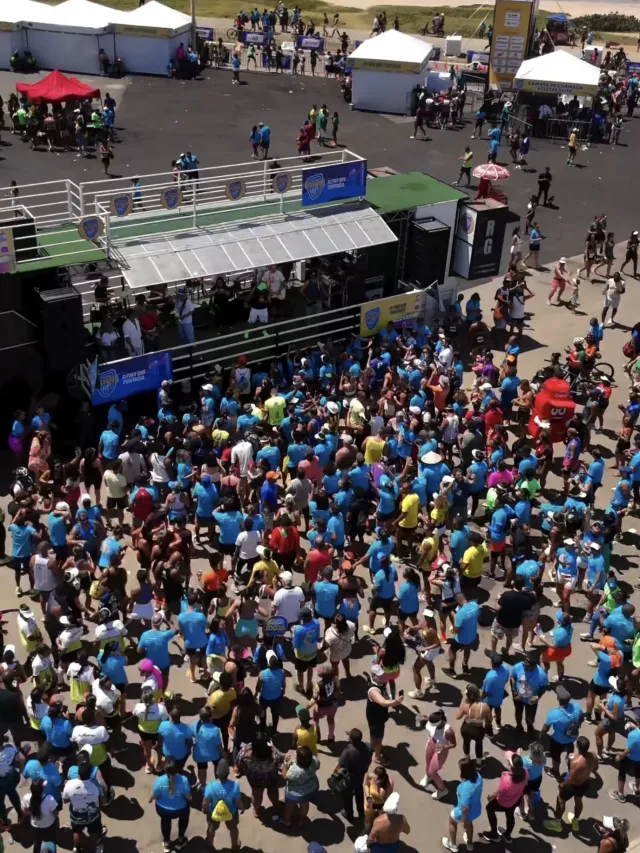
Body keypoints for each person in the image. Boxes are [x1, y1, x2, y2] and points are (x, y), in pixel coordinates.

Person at [544, 735, 598, 832]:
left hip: (573, 784)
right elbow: (595, 768)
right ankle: (575, 821)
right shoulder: (593, 755)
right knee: (578, 800)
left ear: (577, 747)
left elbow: (570, 778)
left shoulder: (576, 762)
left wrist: (562, 785)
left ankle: (557, 823)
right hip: (585, 783)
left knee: (560, 800)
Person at [480, 753, 528, 843]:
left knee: (489, 808)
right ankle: (507, 835)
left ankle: (494, 834)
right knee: (510, 816)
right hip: (516, 800)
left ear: (510, 766)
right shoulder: (525, 772)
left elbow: (499, 792)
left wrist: (491, 796)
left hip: (503, 803)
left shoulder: (506, 778)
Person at [442, 757, 483, 852]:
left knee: (452, 821)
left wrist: (464, 821)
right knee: (469, 824)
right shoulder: (479, 777)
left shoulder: (464, 788)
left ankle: (453, 845)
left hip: (464, 813)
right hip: (476, 809)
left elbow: (465, 808)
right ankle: (469, 844)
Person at [150, 758, 192, 852]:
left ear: (165, 769)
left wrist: (150, 800)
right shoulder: (184, 780)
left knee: (165, 821)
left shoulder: (159, 781)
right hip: (180, 810)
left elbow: (154, 795)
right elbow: (189, 797)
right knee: (185, 814)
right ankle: (181, 839)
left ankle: (167, 843)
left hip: (163, 809)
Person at [203, 757, 243, 849]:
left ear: (217, 772)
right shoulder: (235, 786)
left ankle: (210, 846)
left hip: (213, 812)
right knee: (233, 828)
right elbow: (238, 801)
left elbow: (205, 802)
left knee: (211, 828)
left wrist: (204, 809)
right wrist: (241, 808)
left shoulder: (210, 786)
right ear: (228, 773)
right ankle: (234, 846)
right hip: (231, 812)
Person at [336, 727, 372, 823]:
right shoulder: (368, 747)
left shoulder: (348, 751)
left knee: (347, 797)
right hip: (360, 776)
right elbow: (369, 760)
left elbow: (340, 765)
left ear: (351, 739)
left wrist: (335, 774)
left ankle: (349, 815)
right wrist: (365, 769)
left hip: (350, 778)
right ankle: (361, 813)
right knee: (359, 793)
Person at [420, 709, 456, 798]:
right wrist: (421, 717)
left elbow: (453, 744)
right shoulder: (432, 718)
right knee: (428, 763)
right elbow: (426, 717)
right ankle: (428, 776)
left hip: (440, 750)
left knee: (433, 772)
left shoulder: (448, 731)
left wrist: (444, 747)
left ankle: (442, 790)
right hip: (431, 743)